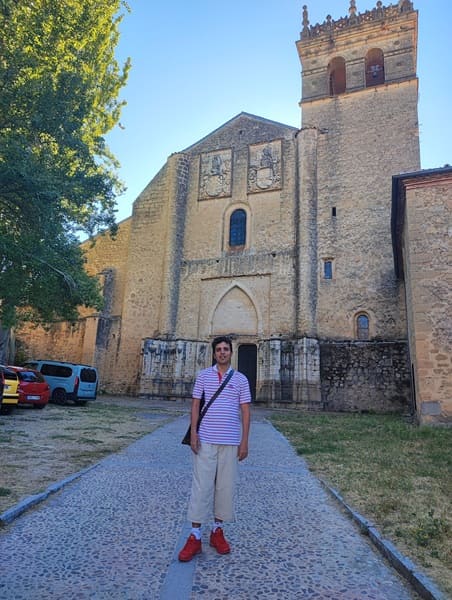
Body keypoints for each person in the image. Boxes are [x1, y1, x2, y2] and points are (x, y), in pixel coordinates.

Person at [178, 335, 251, 562]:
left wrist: (244, 441)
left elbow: (246, 411)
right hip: (206, 440)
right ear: (213, 353)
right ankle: (195, 535)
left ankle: (217, 532)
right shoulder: (203, 376)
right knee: (201, 487)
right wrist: (193, 434)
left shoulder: (240, 379)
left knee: (225, 488)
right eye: (218, 349)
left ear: (231, 352)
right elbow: (195, 404)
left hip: (230, 441)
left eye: (225, 349)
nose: (222, 352)